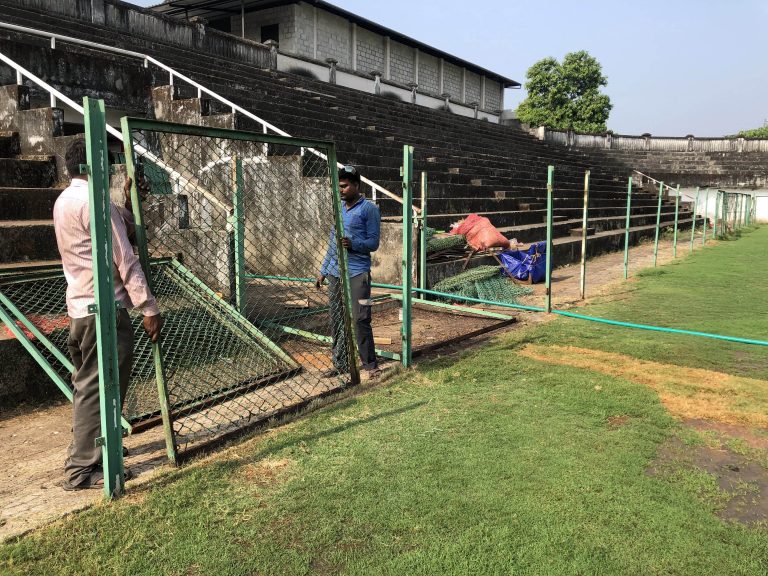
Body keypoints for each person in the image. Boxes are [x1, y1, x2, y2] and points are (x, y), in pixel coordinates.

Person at [54, 139, 163, 491]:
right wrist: (149, 307)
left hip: (80, 308)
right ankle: (82, 469)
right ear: (94, 164)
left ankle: (100, 448)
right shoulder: (96, 203)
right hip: (105, 311)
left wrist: (129, 204)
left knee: (89, 386)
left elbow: (115, 229)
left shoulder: (65, 200)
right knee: (99, 387)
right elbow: (125, 258)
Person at [317, 165, 381, 380]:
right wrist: (323, 270)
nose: (340, 190)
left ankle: (370, 365)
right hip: (335, 273)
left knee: (361, 318)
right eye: (338, 186)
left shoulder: (369, 209)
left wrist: (354, 244)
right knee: (337, 318)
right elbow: (332, 243)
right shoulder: (339, 208)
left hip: (358, 273)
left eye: (344, 186)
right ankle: (341, 363)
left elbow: (373, 243)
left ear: (356, 185)